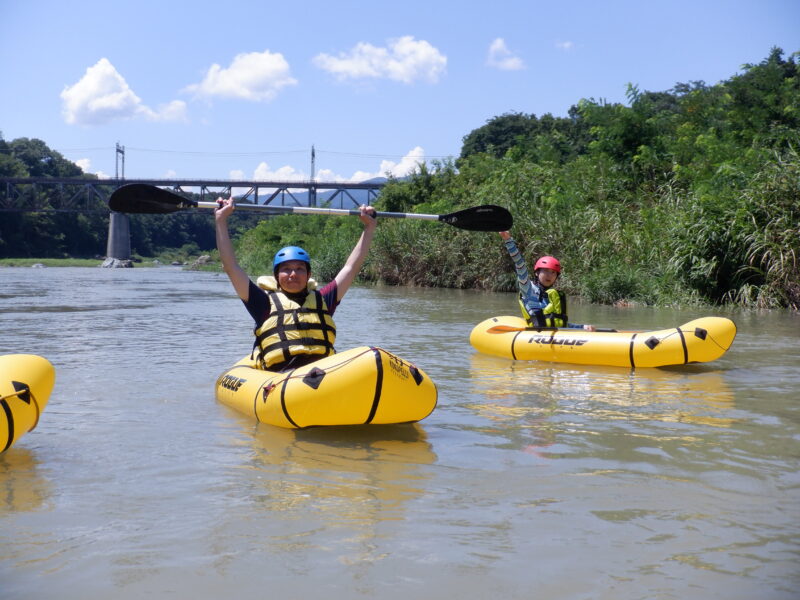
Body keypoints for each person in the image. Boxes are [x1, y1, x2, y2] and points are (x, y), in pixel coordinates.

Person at [215, 196, 378, 371]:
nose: (293, 274)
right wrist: (221, 220)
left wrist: (369, 227)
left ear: (309, 274)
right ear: (276, 276)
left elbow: (351, 268)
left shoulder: (323, 300)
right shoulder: (262, 303)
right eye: (286, 269)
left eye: (300, 269)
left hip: (325, 375)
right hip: (283, 378)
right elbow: (231, 267)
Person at [499, 231, 596, 331]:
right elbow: (520, 264)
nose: (549, 275)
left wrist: (583, 327)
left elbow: (559, 323)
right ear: (537, 273)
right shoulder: (527, 288)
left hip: (556, 337)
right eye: (545, 271)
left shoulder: (551, 296)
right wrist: (508, 240)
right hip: (536, 336)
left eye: (553, 272)